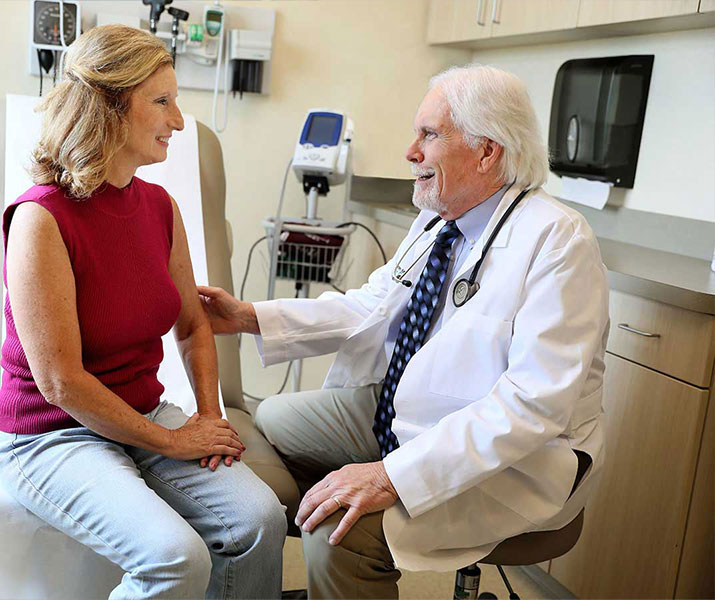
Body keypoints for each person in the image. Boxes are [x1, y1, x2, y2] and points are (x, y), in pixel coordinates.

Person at [199, 64, 609, 599]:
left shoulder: (557, 241)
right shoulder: (440, 219)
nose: (410, 151)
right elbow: (370, 306)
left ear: (487, 151)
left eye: (430, 135)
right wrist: (248, 316)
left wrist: (390, 478)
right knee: (270, 418)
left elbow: (531, 405)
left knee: (337, 532)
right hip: (408, 412)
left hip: (517, 460)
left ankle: (346, 550)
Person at [0, 24, 286, 600]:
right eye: (162, 102)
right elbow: (59, 381)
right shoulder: (40, 220)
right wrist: (172, 443)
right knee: (174, 560)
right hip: (49, 436)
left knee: (260, 522)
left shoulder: (157, 206)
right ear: (110, 108)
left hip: (143, 411)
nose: (178, 121)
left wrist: (205, 418)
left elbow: (194, 322)